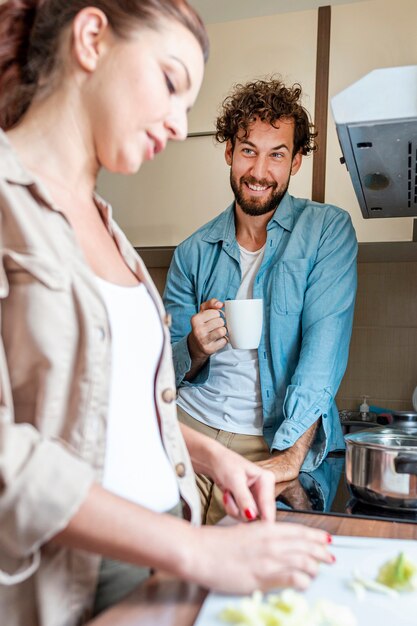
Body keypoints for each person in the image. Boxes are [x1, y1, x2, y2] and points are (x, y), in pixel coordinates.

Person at [0, 3, 334, 625]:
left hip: (155, 556)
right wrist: (196, 549)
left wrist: (215, 460)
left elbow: (116, 411)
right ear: (93, 39)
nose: (181, 126)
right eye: (171, 81)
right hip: (66, 574)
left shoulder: (109, 229)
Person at [164, 77, 358, 525]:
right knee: (166, 572)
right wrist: (193, 349)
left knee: (259, 577)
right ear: (230, 153)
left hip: (273, 439)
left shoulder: (327, 231)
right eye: (248, 150)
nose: (259, 171)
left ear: (296, 162)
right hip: (189, 433)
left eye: (277, 154)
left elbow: (322, 353)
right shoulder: (192, 252)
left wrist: (289, 458)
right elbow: (163, 370)